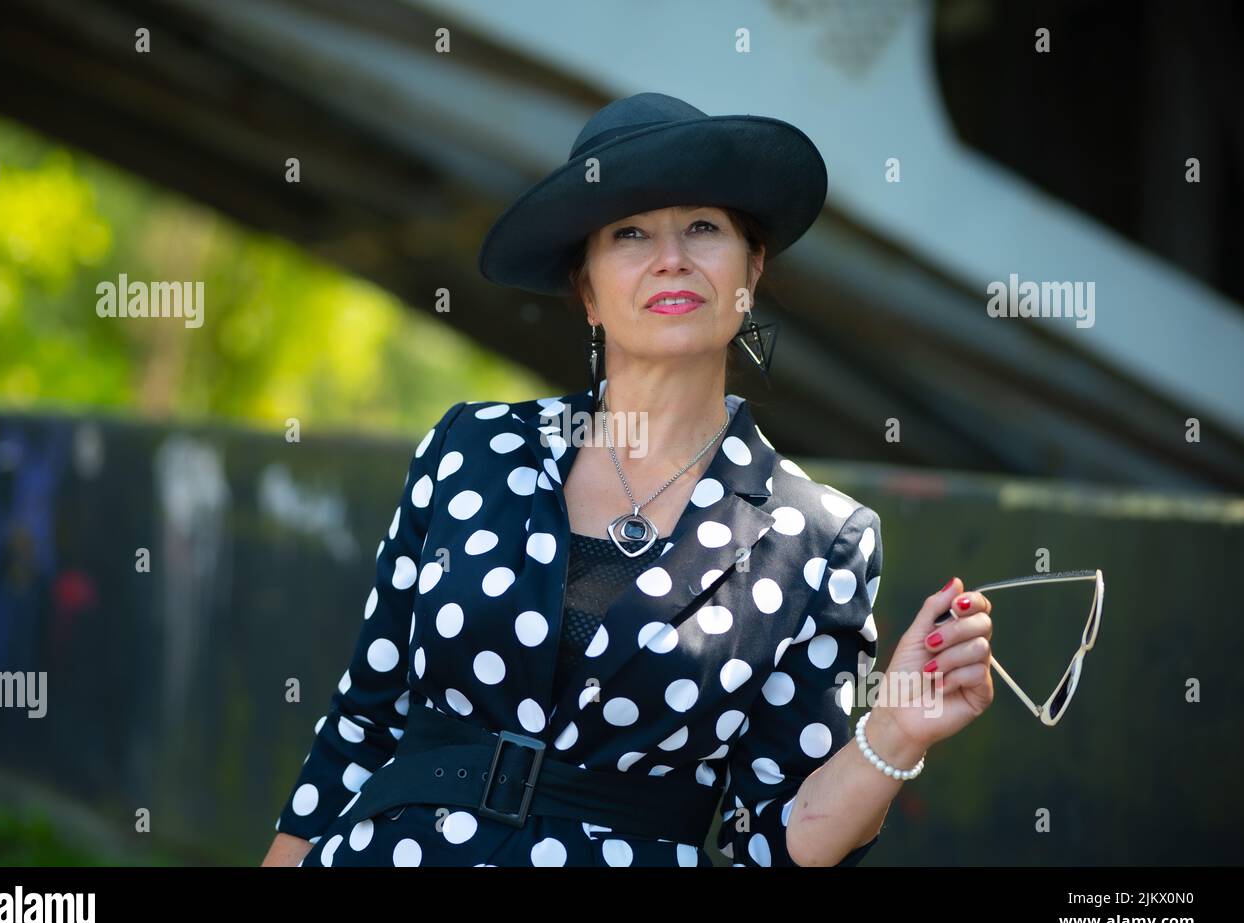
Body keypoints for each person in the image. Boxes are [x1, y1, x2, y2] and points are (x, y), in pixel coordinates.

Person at [262, 92, 995, 867]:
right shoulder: (469, 449)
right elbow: (360, 726)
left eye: (703, 227)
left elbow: (777, 844)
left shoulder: (817, 539)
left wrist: (896, 730)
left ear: (751, 270)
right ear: (587, 290)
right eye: (631, 233)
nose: (670, 257)